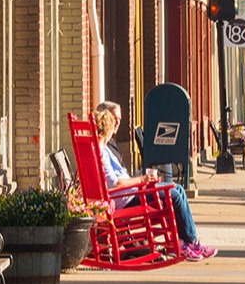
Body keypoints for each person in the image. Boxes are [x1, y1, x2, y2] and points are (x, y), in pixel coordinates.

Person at [92, 101, 217, 261]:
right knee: (174, 195)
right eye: (114, 120)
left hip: (128, 193)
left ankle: (189, 242)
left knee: (177, 188)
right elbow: (115, 184)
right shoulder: (101, 152)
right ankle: (188, 243)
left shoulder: (102, 148)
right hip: (124, 199)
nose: (117, 124)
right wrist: (142, 179)